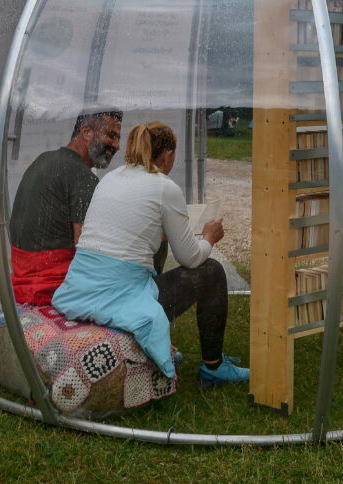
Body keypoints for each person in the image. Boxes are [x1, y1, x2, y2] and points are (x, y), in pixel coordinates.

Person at [53, 121, 248, 386]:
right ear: (167, 155)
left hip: (81, 287)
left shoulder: (111, 177)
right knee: (211, 271)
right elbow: (190, 258)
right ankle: (213, 367)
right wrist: (210, 238)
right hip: (119, 293)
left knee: (160, 244)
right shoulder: (164, 187)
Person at [7, 108, 123, 305]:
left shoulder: (43, 159)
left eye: (118, 138)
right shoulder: (83, 177)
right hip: (50, 283)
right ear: (86, 132)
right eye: (111, 136)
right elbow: (87, 251)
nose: (117, 145)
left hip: (21, 275)